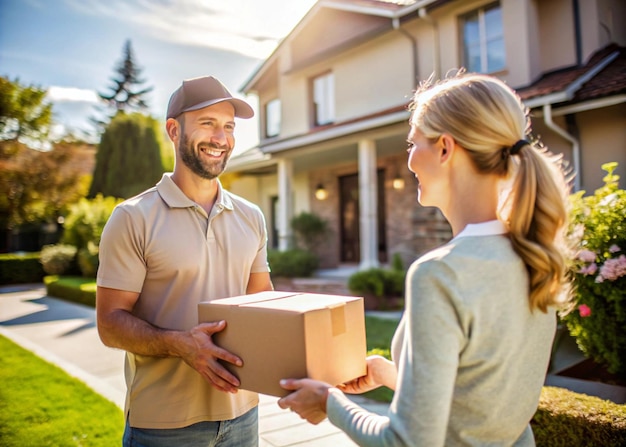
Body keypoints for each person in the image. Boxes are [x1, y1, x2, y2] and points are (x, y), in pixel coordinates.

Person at [278, 72, 572, 446]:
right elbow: (480, 400)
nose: (410, 159)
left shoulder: (440, 274)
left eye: (413, 143)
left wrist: (328, 400)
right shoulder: (532, 255)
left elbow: (407, 441)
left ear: (446, 149)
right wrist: (392, 374)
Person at [96, 75, 273, 447]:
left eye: (228, 127)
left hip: (244, 414)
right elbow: (110, 324)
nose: (220, 138)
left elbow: (263, 305)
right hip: (164, 423)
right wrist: (180, 344)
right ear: (174, 130)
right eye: (207, 124)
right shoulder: (133, 217)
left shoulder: (251, 216)